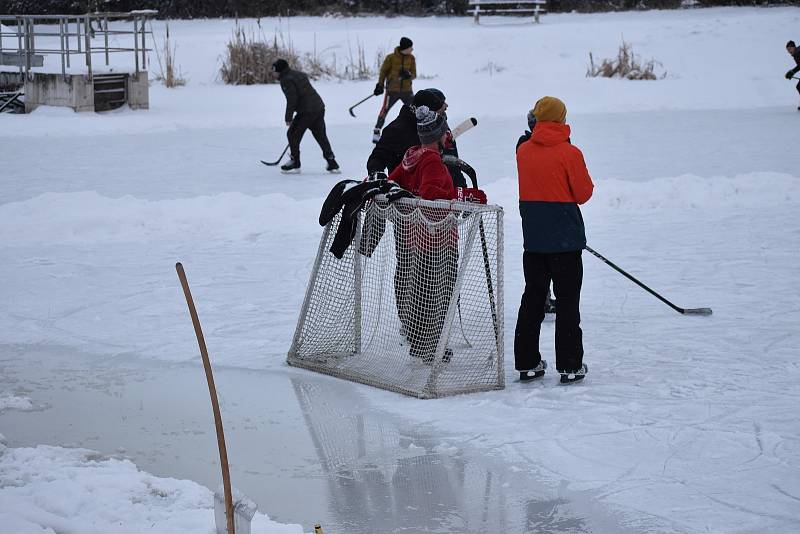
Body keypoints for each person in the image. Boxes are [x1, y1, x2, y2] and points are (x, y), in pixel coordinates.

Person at [388, 106, 486, 363]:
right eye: (445, 133)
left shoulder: (413, 155)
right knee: (437, 295)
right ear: (439, 135)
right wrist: (464, 197)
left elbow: (393, 182)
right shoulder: (431, 159)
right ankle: (433, 347)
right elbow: (431, 194)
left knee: (421, 292)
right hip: (437, 239)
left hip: (414, 238)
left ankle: (421, 344)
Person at [514, 96, 594, 384]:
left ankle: (526, 362)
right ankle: (570, 365)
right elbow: (583, 194)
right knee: (568, 302)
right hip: (565, 242)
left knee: (533, 298)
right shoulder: (570, 153)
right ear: (561, 119)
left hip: (534, 241)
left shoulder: (523, 151)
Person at [367, 88, 466, 188]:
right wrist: (378, 178)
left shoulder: (440, 129)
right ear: (426, 113)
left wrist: (462, 192)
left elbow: (454, 169)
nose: (446, 109)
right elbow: (377, 159)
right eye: (441, 111)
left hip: (441, 197)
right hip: (404, 198)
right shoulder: (396, 131)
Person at [516, 109, 556, 316]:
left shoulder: (524, 145)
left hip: (533, 210)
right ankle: (543, 299)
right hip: (543, 209)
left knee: (539, 258)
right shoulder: (525, 145)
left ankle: (544, 298)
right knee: (543, 260)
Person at [271, 58, 339, 174]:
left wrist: (288, 118)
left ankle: (295, 162)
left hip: (306, 111)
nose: (273, 73)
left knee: (292, 134)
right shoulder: (299, 74)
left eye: (274, 70)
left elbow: (292, 99)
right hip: (318, 107)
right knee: (320, 135)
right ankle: (331, 161)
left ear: (279, 71)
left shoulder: (286, 80)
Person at [373, 37, 416, 143]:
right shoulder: (391, 58)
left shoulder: (411, 58)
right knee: (385, 110)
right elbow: (383, 72)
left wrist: (408, 75)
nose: (412, 49)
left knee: (415, 109)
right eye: (410, 47)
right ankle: (377, 131)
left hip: (407, 91)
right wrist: (380, 84)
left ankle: (418, 131)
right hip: (392, 91)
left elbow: (414, 74)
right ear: (404, 48)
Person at [785, 41, 800, 110]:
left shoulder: (798, 53)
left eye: (790, 48)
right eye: (787, 49)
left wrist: (792, 72)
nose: (789, 51)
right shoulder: (796, 54)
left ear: (794, 47)